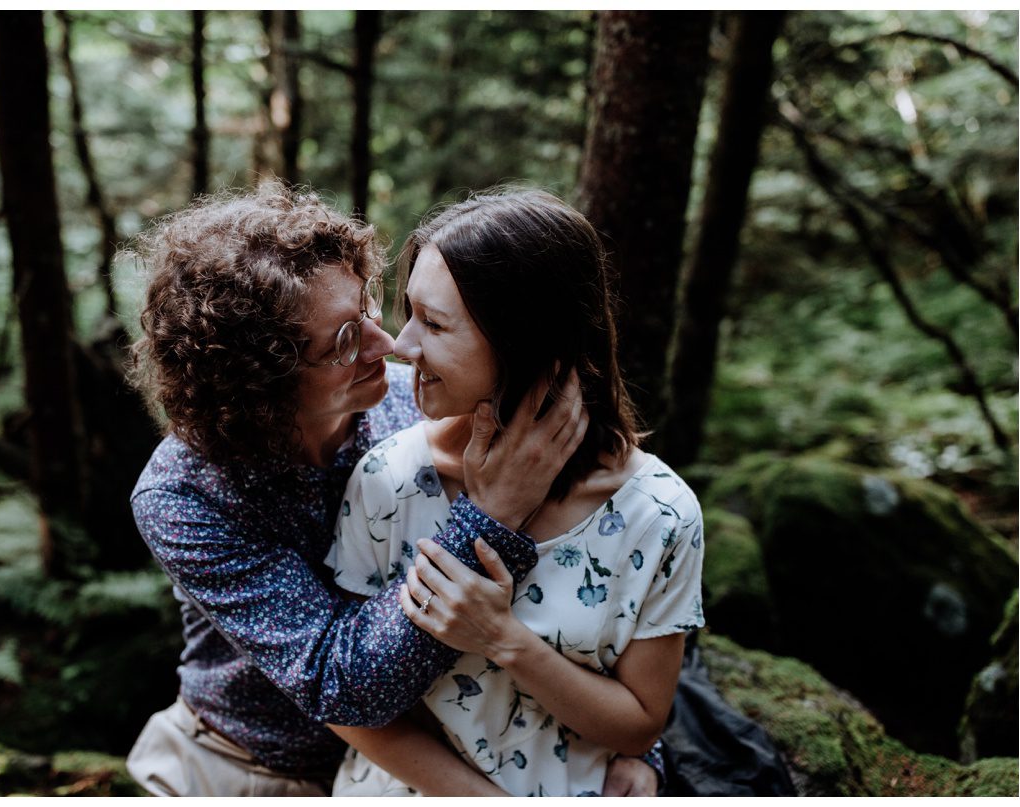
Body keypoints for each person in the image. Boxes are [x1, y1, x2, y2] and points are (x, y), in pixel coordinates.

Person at [124, 184, 661, 796]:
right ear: (259, 382)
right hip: (253, 765)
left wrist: (635, 746)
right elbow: (340, 685)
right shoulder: (185, 495)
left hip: (444, 751)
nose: (389, 346)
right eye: (344, 342)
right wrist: (490, 513)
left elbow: (611, 566)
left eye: (368, 307)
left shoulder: (420, 405)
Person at [326, 188, 705, 796]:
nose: (402, 345)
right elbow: (347, 701)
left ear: (526, 340)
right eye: (411, 313)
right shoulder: (388, 480)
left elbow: (640, 725)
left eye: (435, 324)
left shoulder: (659, 513)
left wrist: (505, 639)